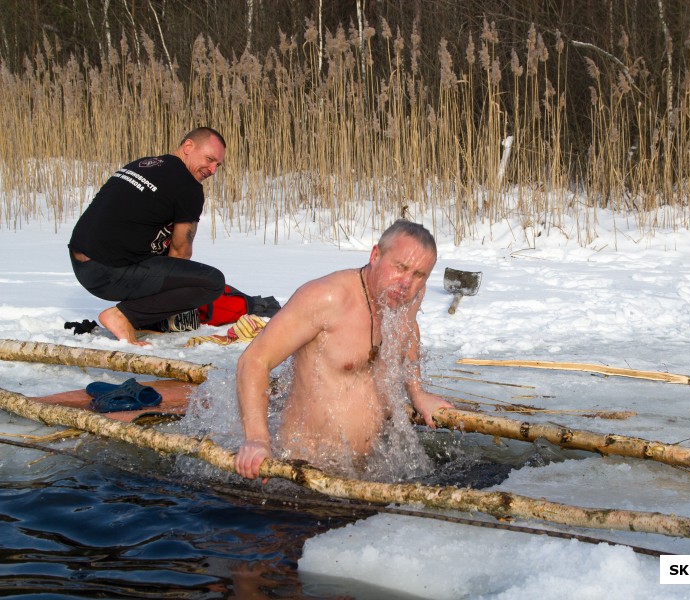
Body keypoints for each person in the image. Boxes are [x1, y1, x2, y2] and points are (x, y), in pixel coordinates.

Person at [235, 220, 452, 480]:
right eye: (400, 267)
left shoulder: (407, 296)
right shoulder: (327, 298)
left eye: (419, 275)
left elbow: (408, 330)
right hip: (304, 474)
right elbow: (255, 360)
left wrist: (417, 392)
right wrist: (257, 440)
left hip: (370, 472)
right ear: (375, 255)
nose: (407, 282)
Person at [68, 127, 227, 345]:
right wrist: (171, 298)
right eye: (209, 159)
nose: (212, 170)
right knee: (212, 282)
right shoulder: (188, 186)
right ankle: (123, 316)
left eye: (217, 165)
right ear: (188, 146)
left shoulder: (143, 164)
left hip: (80, 264)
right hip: (107, 273)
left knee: (159, 250)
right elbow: (180, 252)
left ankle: (137, 316)